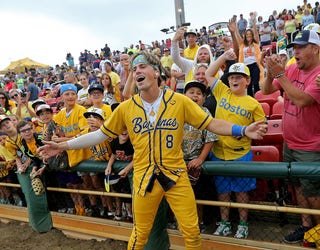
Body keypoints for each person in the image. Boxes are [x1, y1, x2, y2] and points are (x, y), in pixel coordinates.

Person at [38, 50, 266, 249]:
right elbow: (100, 134)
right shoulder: (126, 108)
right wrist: (63, 145)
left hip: (176, 175)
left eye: (143, 66)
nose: (137, 70)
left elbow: (212, 123)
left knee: (192, 232)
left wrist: (243, 130)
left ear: (156, 72)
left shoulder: (179, 100)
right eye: (134, 68)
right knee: (139, 234)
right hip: (145, 178)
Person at [262, 29, 320, 244]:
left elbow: (302, 100)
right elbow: (266, 90)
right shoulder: (293, 68)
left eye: (301, 47)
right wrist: (270, 72)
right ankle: (307, 228)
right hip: (291, 141)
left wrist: (280, 74)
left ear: (315, 49)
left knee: (314, 192)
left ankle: (319, 230)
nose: (295, 51)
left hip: (311, 146)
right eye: (294, 47)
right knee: (297, 187)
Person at [205, 52, 266, 239]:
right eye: (231, 77)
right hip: (219, 152)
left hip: (240, 154)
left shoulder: (254, 103)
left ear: (247, 80)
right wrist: (223, 56)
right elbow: (208, 74)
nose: (234, 80)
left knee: (241, 193)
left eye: (238, 77)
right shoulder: (222, 91)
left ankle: (243, 224)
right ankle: (224, 223)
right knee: (223, 193)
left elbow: (262, 128)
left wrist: (248, 131)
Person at [182, 80, 218, 233]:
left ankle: (200, 222)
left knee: (197, 196)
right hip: (179, 162)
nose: (195, 96)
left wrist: (200, 159)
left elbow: (210, 139)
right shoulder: (178, 111)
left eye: (199, 93)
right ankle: (181, 222)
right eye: (191, 92)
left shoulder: (205, 113)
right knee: (180, 196)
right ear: (184, 95)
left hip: (197, 162)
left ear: (204, 98)